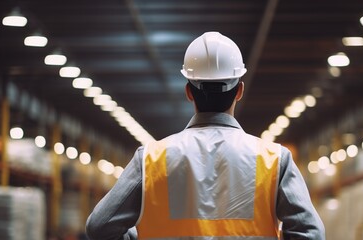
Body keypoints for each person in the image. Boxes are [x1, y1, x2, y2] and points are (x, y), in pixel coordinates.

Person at [85, 31, 325, 240]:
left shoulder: (150, 159)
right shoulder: (275, 160)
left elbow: (99, 227)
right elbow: (310, 234)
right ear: (239, 91)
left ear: (189, 91)